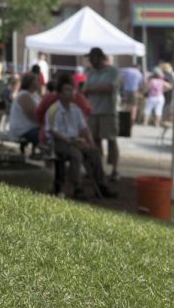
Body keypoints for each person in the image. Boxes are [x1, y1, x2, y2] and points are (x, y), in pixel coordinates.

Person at [45, 75, 116, 200]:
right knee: (75, 154)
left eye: (72, 90)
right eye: (67, 90)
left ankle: (102, 186)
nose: (71, 92)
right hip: (58, 142)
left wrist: (91, 143)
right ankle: (77, 188)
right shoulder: (53, 110)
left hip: (74, 141)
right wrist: (70, 141)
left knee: (94, 153)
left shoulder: (75, 109)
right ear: (60, 94)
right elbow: (52, 131)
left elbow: (84, 128)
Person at [82, 47, 120, 181]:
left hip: (108, 111)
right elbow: (84, 90)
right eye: (89, 58)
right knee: (95, 141)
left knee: (111, 140)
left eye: (92, 58)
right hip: (93, 112)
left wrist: (90, 90)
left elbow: (108, 88)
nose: (90, 61)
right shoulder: (91, 73)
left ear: (100, 57)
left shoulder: (112, 71)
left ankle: (115, 170)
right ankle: (99, 169)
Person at [8, 72, 41, 152]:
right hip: (24, 129)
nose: (38, 82)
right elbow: (33, 115)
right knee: (47, 135)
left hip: (32, 127)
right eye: (36, 80)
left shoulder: (35, 94)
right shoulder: (24, 95)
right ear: (31, 83)